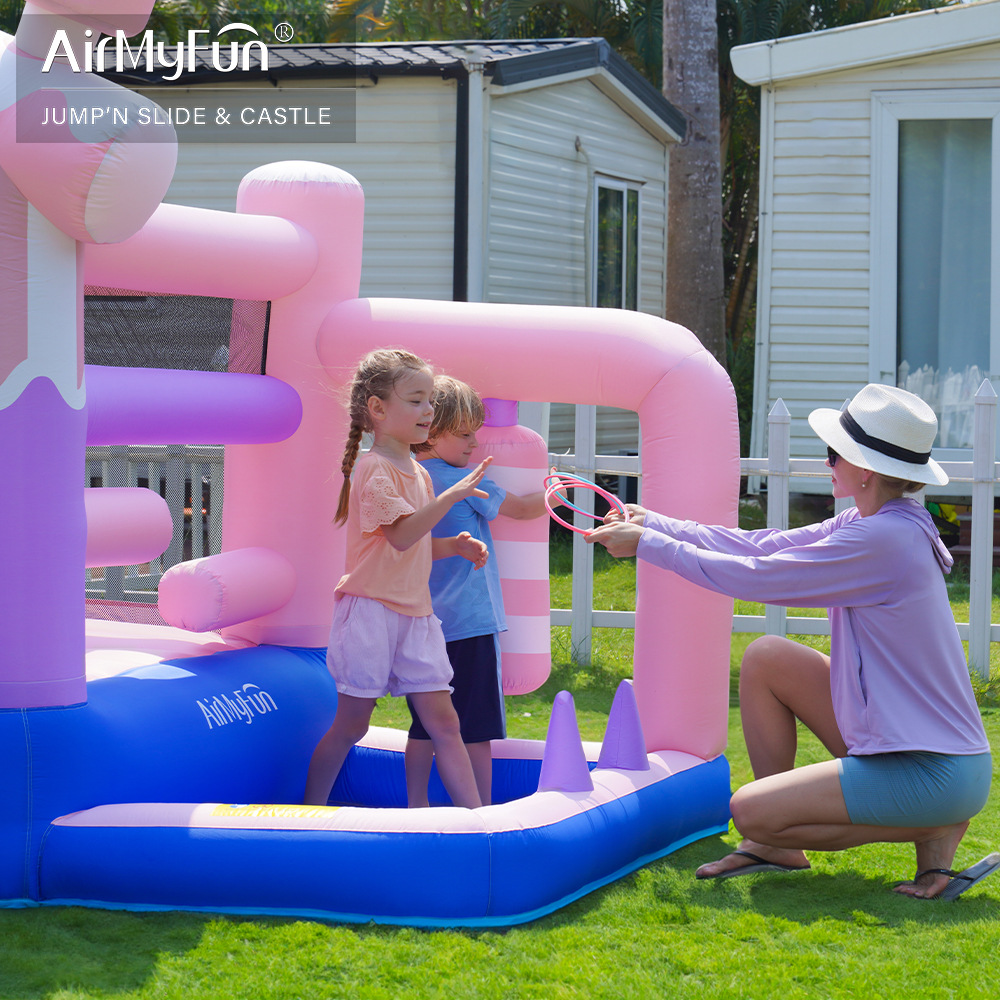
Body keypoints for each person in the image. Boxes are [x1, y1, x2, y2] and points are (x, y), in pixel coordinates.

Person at [586, 383, 998, 900]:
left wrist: (649, 545)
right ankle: (776, 847)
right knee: (767, 658)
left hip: (933, 770)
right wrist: (658, 525)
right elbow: (763, 546)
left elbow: (759, 576)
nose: (828, 463)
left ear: (865, 469)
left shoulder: (882, 538)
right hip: (911, 747)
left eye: (834, 453)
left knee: (750, 809)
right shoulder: (874, 520)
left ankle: (935, 826)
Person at [303, 349, 494, 810]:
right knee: (353, 725)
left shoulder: (419, 473)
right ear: (378, 408)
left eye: (430, 401)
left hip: (415, 615)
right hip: (370, 610)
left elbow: (414, 545)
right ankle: (310, 810)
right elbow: (402, 536)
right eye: (416, 400)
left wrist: (453, 546)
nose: (428, 410)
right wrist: (451, 497)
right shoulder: (374, 468)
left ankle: (479, 823)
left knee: (446, 723)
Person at [404, 377, 557, 806]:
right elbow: (523, 509)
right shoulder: (465, 481)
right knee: (476, 728)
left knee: (423, 726)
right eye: (466, 434)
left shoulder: (407, 478)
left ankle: (415, 805)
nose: (475, 443)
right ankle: (483, 808)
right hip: (470, 625)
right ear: (432, 432)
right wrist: (558, 493)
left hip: (421, 624)